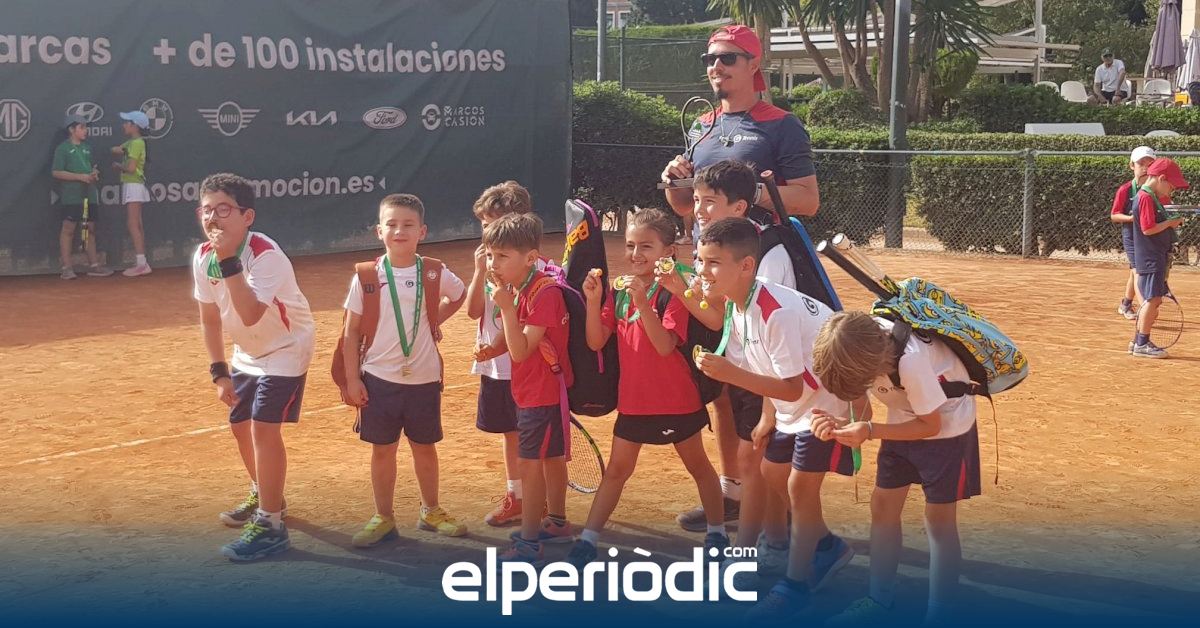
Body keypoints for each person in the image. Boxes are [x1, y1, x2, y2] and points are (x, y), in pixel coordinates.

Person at [661, 25, 820, 524]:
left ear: (755, 64)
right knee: (722, 387)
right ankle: (735, 492)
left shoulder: (782, 125)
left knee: (765, 383)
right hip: (711, 269)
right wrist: (675, 185)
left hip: (761, 265)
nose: (716, 66)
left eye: (728, 57)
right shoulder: (701, 126)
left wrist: (749, 190)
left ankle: (775, 504)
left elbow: (808, 199)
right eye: (710, 58)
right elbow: (688, 209)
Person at [693, 218, 855, 619]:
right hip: (792, 406)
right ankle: (827, 546)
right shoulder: (740, 304)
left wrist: (730, 375)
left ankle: (794, 587)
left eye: (713, 262)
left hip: (825, 406)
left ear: (746, 266)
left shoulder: (774, 312)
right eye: (700, 260)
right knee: (771, 473)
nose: (702, 270)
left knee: (799, 489)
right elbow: (768, 368)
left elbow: (792, 386)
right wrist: (768, 417)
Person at [566, 208, 728, 566]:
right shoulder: (620, 290)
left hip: (677, 401)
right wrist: (593, 301)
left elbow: (665, 346)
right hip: (634, 402)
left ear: (668, 252)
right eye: (630, 245)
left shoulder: (674, 290)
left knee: (699, 466)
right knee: (616, 471)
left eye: (646, 246)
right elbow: (595, 341)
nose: (635, 254)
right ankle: (589, 539)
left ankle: (717, 533)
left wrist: (643, 301)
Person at [658, 160, 792, 578]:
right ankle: (772, 544)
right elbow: (721, 318)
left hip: (773, 377)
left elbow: (774, 329)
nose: (698, 209)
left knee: (762, 465)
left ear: (738, 208)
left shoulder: (767, 255)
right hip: (751, 372)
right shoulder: (719, 248)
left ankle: (761, 550)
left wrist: (767, 403)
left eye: (708, 201)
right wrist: (681, 288)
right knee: (760, 466)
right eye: (696, 200)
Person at [811, 311, 983, 626]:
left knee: (939, 521)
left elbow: (931, 425)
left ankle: (940, 614)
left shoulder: (910, 362)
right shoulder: (859, 344)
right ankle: (879, 599)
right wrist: (840, 424)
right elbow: (863, 408)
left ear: (872, 365)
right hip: (904, 419)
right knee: (883, 506)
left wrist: (870, 431)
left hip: (947, 428)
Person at [191, 173, 315, 561]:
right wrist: (219, 371)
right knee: (239, 425)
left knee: (263, 427)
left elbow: (248, 314)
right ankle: (266, 492)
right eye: (206, 210)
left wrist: (228, 259)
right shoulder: (202, 256)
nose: (213, 217)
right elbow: (210, 319)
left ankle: (271, 526)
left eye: (223, 209)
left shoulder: (265, 255)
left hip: (287, 346)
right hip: (247, 352)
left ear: (247, 217)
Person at [341, 193, 469, 547]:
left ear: (422, 231)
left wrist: (432, 321)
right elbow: (351, 333)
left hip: (424, 378)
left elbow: (459, 295)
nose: (400, 231)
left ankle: (431, 510)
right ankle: (383, 516)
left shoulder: (433, 271)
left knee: (425, 447)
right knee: (382, 450)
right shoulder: (367, 276)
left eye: (408, 225)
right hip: (378, 379)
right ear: (379, 231)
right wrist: (352, 379)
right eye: (392, 224)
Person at [485, 213, 574, 565]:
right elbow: (517, 342)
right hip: (535, 391)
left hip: (542, 395)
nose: (493, 264)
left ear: (530, 258)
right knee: (551, 458)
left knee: (530, 464)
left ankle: (529, 543)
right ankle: (558, 523)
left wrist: (505, 307)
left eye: (502, 256)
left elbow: (521, 351)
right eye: (490, 255)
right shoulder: (525, 287)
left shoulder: (543, 293)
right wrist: (492, 347)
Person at [464, 181, 539, 526]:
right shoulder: (489, 265)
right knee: (510, 433)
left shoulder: (534, 270)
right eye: (484, 225)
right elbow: (472, 311)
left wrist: (494, 347)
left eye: (494, 223)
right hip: (496, 369)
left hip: (527, 367)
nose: (488, 233)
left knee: (532, 438)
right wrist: (480, 270)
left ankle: (540, 500)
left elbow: (524, 321)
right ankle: (517, 496)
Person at [1130, 158, 1188, 358]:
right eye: (1171, 186)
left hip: (1154, 256)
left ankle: (1137, 340)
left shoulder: (1149, 196)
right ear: (1161, 178)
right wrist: (1170, 223)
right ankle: (1142, 344)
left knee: (1154, 300)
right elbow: (1148, 229)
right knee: (1152, 300)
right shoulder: (1146, 197)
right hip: (1151, 258)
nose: (1171, 190)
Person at [52, 115, 112, 279]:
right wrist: (79, 177)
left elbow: (90, 168)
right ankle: (67, 267)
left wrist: (94, 174)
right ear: (72, 129)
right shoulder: (62, 149)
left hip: (89, 195)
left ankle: (94, 266)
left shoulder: (87, 148)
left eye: (86, 127)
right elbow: (56, 172)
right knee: (68, 230)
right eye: (82, 127)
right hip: (72, 196)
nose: (86, 131)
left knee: (89, 229)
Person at [1111, 146, 1156, 320]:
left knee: (1134, 271)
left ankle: (1126, 304)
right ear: (1132, 165)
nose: (1145, 168)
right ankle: (1145, 307)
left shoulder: (1156, 189)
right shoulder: (1125, 189)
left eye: (1149, 164)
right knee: (1138, 271)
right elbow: (1114, 215)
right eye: (1140, 163)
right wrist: (1132, 219)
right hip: (1131, 235)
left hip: (1148, 235)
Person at [112, 111, 153, 277]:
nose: (124, 125)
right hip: (135, 185)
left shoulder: (136, 143)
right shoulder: (132, 142)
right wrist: (120, 149)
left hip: (134, 184)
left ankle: (142, 264)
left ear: (134, 126)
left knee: (133, 224)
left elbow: (130, 168)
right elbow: (117, 149)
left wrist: (118, 166)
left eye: (127, 122)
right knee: (137, 224)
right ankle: (141, 261)